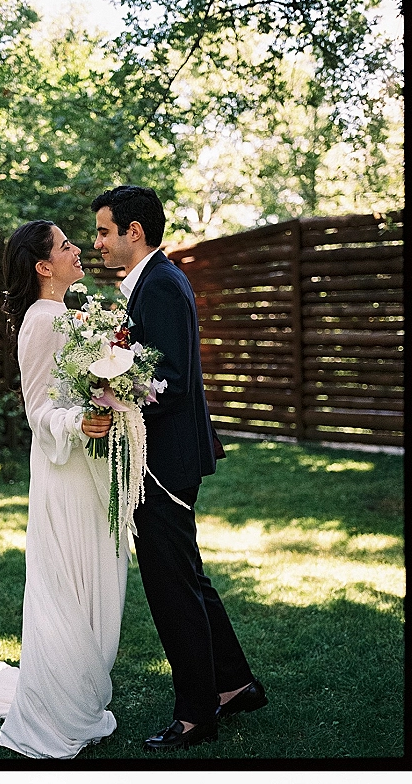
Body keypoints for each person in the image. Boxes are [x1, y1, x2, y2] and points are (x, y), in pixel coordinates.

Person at [0, 220, 129, 759]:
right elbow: (39, 411)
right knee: (67, 583)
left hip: (91, 466)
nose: (78, 249)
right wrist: (80, 422)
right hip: (64, 468)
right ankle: (59, 707)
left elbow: (86, 384)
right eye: (65, 246)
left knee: (96, 579)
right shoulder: (40, 321)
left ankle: (78, 689)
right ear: (43, 266)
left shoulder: (69, 314)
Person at [91, 185, 268, 752]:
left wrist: (108, 388)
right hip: (164, 453)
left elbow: (167, 382)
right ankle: (236, 685)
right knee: (187, 575)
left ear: (133, 232)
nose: (97, 242)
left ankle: (196, 713)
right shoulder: (151, 284)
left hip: (164, 460)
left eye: (103, 231)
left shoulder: (162, 287)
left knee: (171, 587)